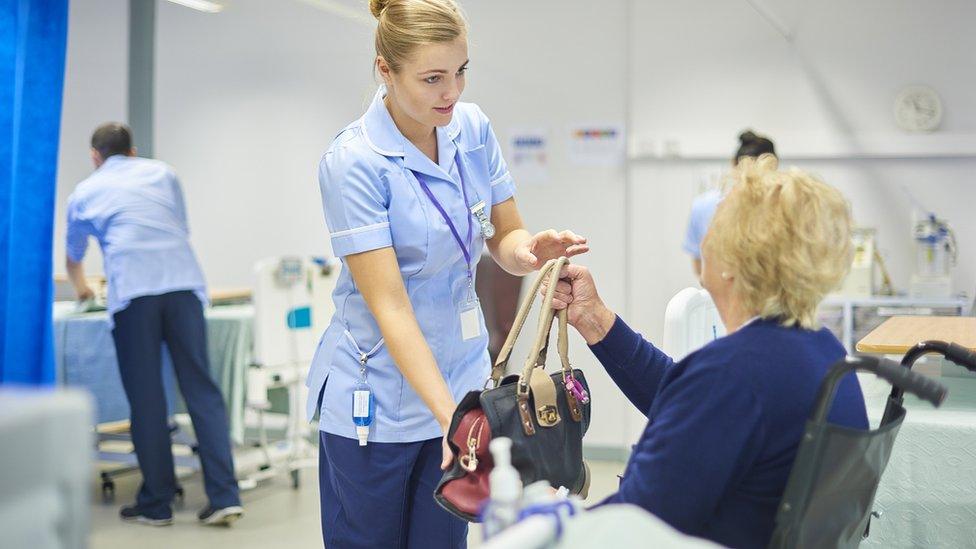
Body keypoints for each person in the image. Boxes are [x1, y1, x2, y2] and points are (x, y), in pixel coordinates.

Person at [307, 1, 589, 547]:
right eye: (432, 78)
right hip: (380, 398)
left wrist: (531, 250)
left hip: (459, 383)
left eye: (460, 72)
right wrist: (455, 420)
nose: (451, 93)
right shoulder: (354, 162)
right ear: (385, 71)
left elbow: (501, 239)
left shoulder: (472, 128)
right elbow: (391, 308)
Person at [544, 155, 867, 548]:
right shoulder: (823, 353)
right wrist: (593, 319)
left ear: (733, 261)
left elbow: (632, 525)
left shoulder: (732, 376)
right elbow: (686, 397)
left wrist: (552, 519)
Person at [65, 123, 243, 527]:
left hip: (134, 293)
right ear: (133, 151)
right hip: (183, 285)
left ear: (96, 157)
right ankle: (224, 496)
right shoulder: (163, 173)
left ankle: (157, 504)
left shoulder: (85, 192)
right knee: (202, 391)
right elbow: (180, 228)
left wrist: (83, 293)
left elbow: (73, 259)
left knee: (147, 400)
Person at [683, 130, 776, 276]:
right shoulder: (784, 207)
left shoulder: (703, 204)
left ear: (733, 163)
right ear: (773, 167)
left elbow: (699, 265)